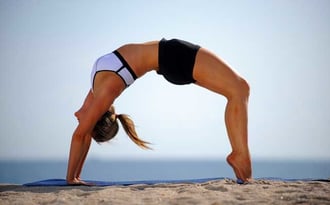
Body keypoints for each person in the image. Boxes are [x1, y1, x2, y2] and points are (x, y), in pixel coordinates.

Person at [66, 38, 252, 185]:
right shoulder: (107, 91)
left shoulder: (97, 88)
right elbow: (81, 135)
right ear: (96, 117)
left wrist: (77, 175)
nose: (78, 119)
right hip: (173, 57)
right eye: (85, 122)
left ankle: (240, 155)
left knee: (238, 89)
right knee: (240, 89)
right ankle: (240, 155)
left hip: (170, 58)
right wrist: (70, 178)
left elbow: (85, 134)